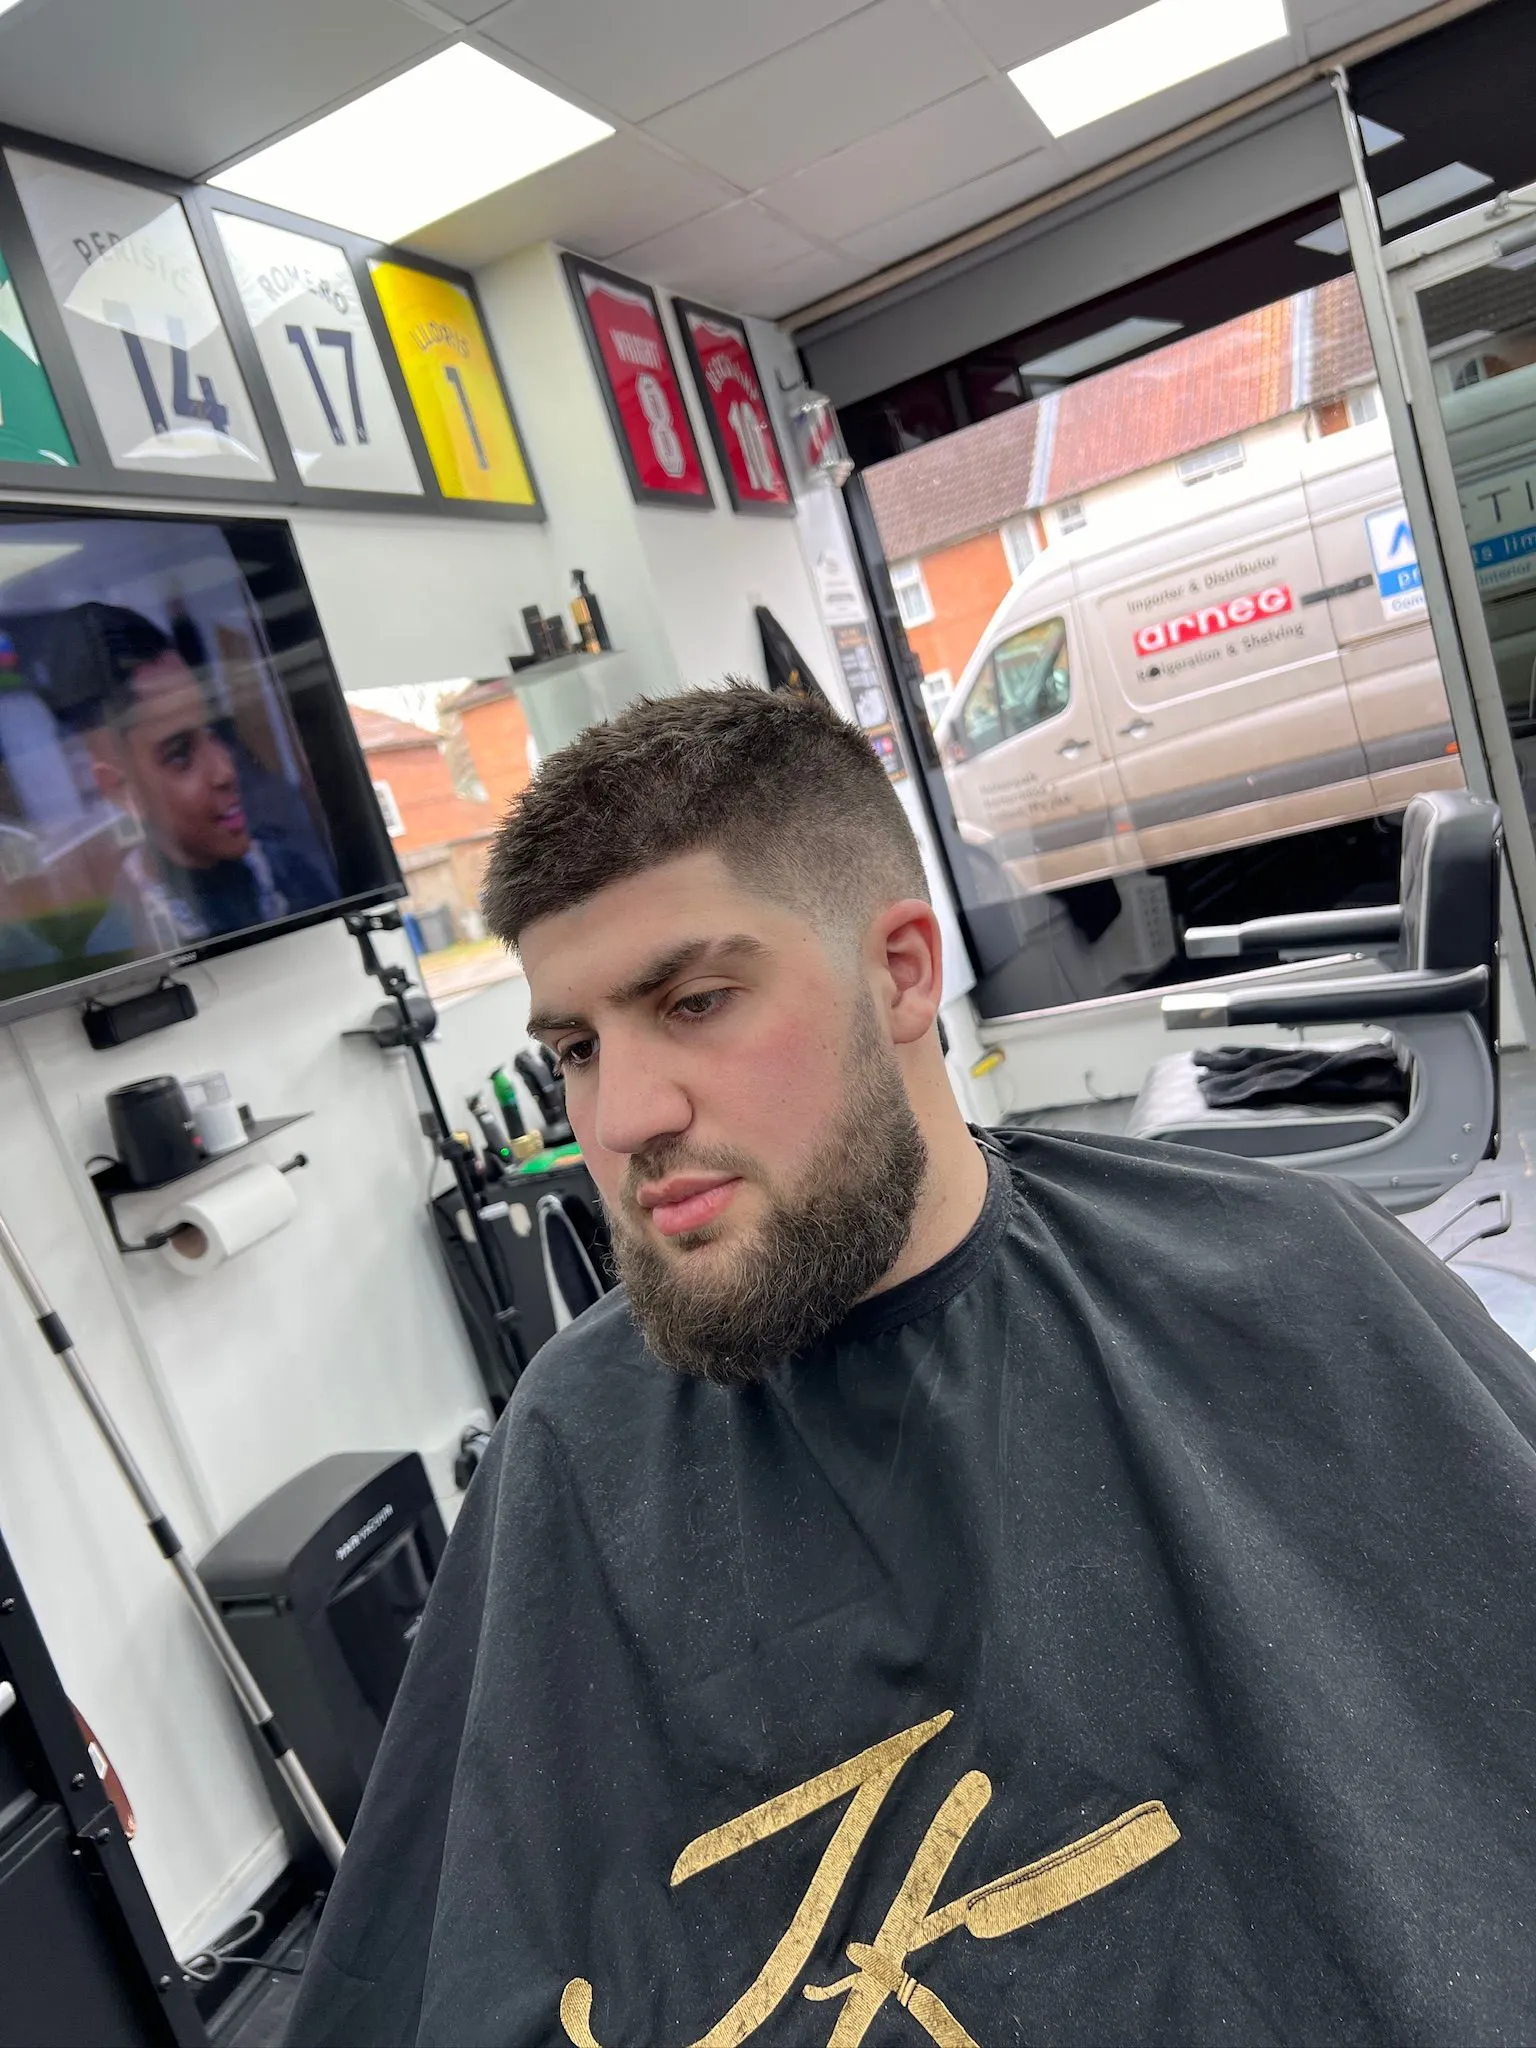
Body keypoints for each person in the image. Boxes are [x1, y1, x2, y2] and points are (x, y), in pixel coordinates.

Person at [286, 684, 1536, 2048]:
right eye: (578, 1049)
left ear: (899, 973)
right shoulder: (574, 1443)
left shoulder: (1286, 1277)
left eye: (695, 1001)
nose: (623, 1115)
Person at [55, 603, 336, 954]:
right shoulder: (123, 946)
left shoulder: (291, 870)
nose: (225, 771)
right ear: (122, 790)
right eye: (180, 755)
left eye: (215, 732)